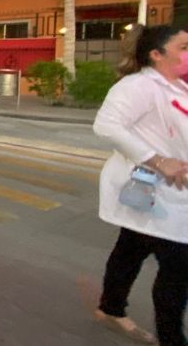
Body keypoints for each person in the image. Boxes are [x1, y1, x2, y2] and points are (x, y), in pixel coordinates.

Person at [92, 24, 188, 346]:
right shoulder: (139, 86)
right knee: (178, 267)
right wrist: (160, 160)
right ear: (156, 54)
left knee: (131, 248)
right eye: (184, 47)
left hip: (165, 195)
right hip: (157, 190)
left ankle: (110, 307)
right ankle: (172, 338)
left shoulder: (178, 86)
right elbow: (106, 125)